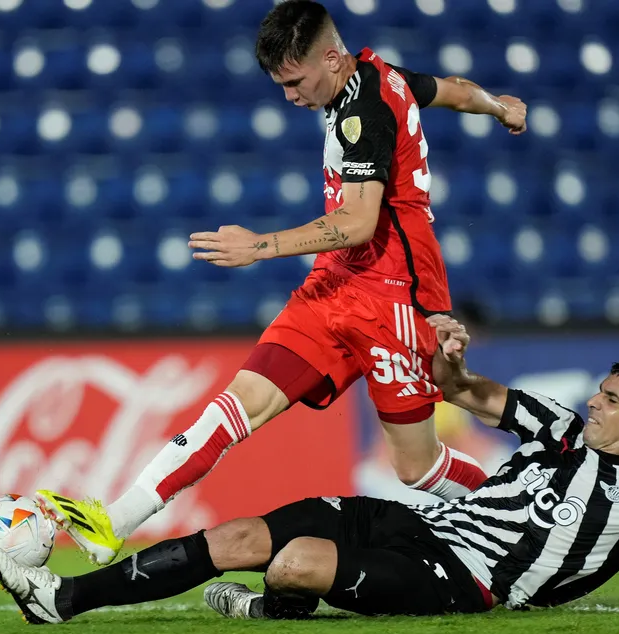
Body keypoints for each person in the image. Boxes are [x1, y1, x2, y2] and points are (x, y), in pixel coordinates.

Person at [33, 0, 528, 566]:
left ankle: (519, 517)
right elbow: (454, 90)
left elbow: (358, 222)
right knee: (238, 403)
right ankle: (112, 520)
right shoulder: (379, 74)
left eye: (296, 81)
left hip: (396, 295)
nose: (290, 97)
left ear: (333, 58)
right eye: (281, 84)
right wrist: (499, 107)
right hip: (336, 282)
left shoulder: (361, 111)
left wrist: (258, 247)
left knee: (417, 468)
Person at [0, 315, 619, 623]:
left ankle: (276, 607)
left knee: (296, 563)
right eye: (598, 393)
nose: (594, 404)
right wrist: (450, 360)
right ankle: (64, 600)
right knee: (243, 532)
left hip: (464, 579)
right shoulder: (560, 429)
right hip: (419, 524)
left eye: (610, 400)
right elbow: (478, 395)